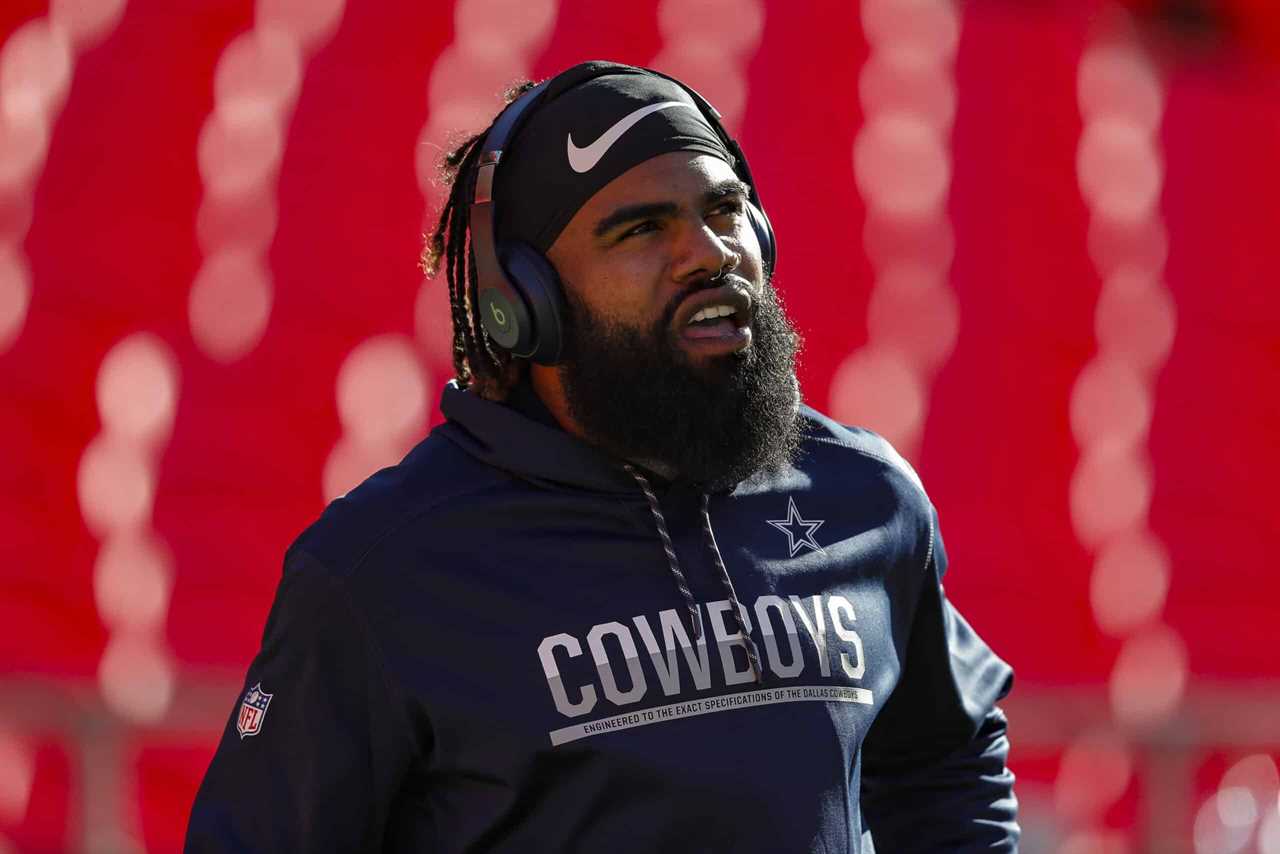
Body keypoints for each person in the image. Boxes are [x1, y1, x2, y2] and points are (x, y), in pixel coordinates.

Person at [185, 60, 1019, 853]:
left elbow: (946, 758)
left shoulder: (866, 497)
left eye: (725, 212)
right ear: (525, 301)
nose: (710, 253)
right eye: (642, 229)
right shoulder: (381, 570)